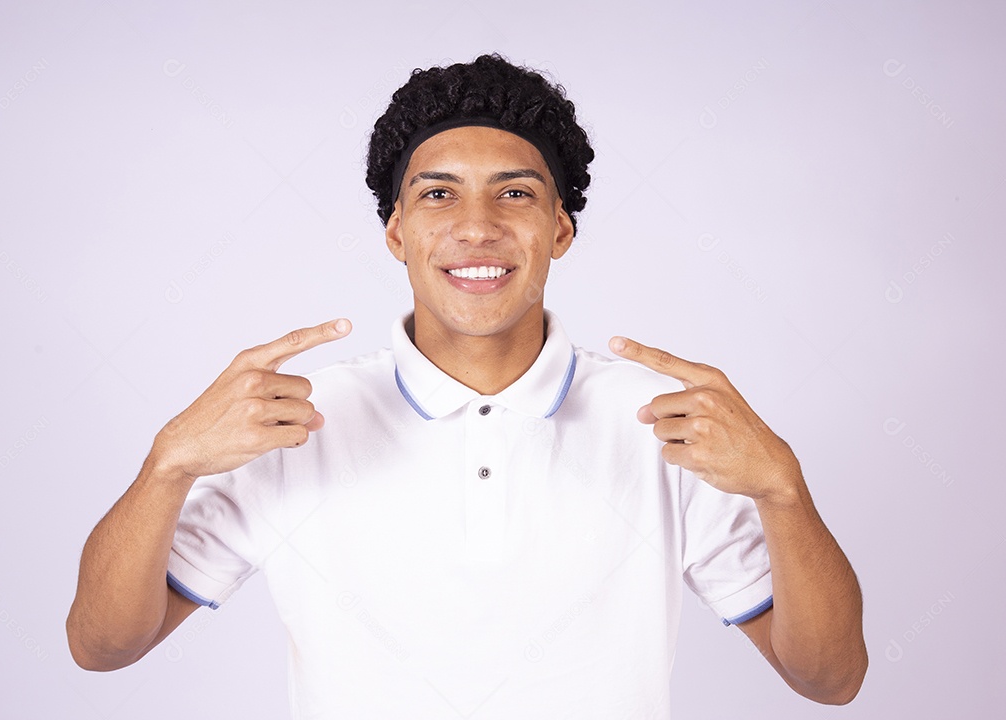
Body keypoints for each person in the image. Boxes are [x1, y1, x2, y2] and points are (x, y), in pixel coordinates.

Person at [66, 54, 867, 717]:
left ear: (559, 230)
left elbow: (829, 679)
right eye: (437, 193)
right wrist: (167, 462)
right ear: (397, 232)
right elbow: (103, 647)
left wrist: (784, 491)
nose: (477, 226)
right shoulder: (294, 421)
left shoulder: (659, 423)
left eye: (514, 193)